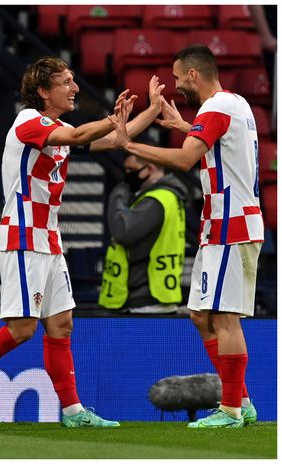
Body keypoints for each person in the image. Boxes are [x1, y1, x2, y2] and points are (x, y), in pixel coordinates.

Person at [0, 56, 164, 429]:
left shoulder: (54, 128)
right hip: (23, 234)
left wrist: (152, 109)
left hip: (49, 236)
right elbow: (80, 136)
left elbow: (112, 140)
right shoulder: (28, 123)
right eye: (67, 82)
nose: (75, 88)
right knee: (22, 329)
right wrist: (112, 116)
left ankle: (74, 412)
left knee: (61, 325)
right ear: (44, 91)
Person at [112, 45, 262, 428]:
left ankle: (231, 408)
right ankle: (238, 398)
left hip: (231, 224)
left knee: (225, 317)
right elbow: (218, 145)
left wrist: (128, 143)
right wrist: (184, 127)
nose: (177, 87)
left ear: (194, 74)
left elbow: (184, 160)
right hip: (223, 224)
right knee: (201, 315)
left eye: (178, 79)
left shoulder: (216, 108)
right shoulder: (237, 105)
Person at [99, 153, 188, 314]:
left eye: (131, 169)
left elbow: (123, 231)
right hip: (155, 296)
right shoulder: (167, 197)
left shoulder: (156, 200)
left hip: (144, 300)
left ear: (150, 169)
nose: (127, 174)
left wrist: (118, 194)